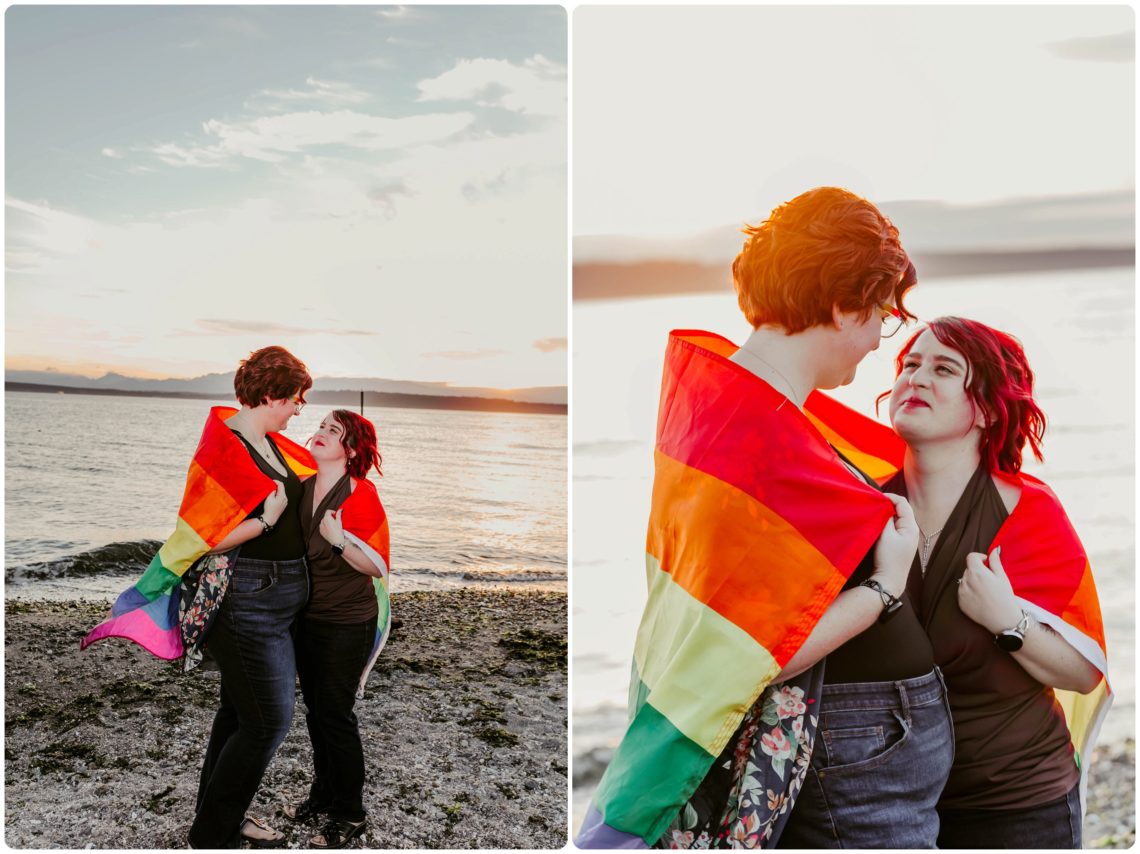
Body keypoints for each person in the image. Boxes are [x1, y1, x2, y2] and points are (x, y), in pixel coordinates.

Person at [577, 187, 944, 849]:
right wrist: (882, 589)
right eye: (881, 317)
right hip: (802, 761)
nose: (874, 343)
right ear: (841, 305)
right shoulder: (760, 440)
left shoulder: (711, 403)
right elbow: (746, 651)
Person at [875, 317, 1109, 848]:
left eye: (942, 368)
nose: (915, 378)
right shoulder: (864, 510)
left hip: (1017, 804)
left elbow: (1084, 672)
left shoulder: (1029, 511)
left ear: (984, 407)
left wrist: (1010, 621)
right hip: (891, 808)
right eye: (909, 365)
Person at [82, 345, 316, 849]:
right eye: (297, 399)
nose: (300, 410)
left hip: (282, 595)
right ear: (273, 394)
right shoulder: (226, 446)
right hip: (246, 596)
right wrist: (264, 522)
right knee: (269, 720)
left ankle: (219, 818)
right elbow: (199, 535)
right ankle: (212, 835)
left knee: (238, 712)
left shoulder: (273, 443)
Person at [282, 409, 391, 849]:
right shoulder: (302, 488)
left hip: (348, 621)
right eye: (321, 426)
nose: (321, 433)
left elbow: (377, 565)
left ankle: (350, 812)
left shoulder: (361, 494)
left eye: (334, 430)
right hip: (306, 619)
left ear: (350, 450)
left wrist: (339, 538)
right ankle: (322, 796)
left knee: (335, 717)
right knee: (316, 714)